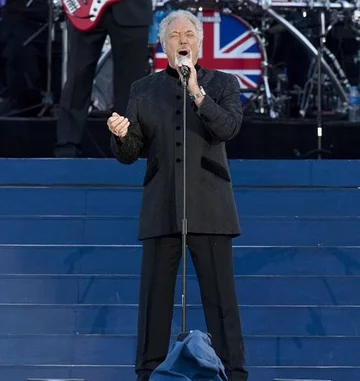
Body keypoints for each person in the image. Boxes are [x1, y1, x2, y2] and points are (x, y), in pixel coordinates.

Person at [107, 9, 248, 381]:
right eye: (174, 35)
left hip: (211, 205)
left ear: (199, 43)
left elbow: (229, 128)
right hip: (161, 205)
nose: (182, 40)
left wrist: (196, 92)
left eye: (189, 34)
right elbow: (130, 153)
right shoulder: (143, 88)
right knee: (154, 301)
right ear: (163, 44)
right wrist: (121, 135)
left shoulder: (222, 84)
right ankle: (147, 372)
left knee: (221, 302)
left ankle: (234, 373)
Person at [54, 0, 153, 157]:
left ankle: (128, 145)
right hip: (83, 7)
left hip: (132, 8)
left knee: (131, 83)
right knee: (77, 77)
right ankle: (67, 148)